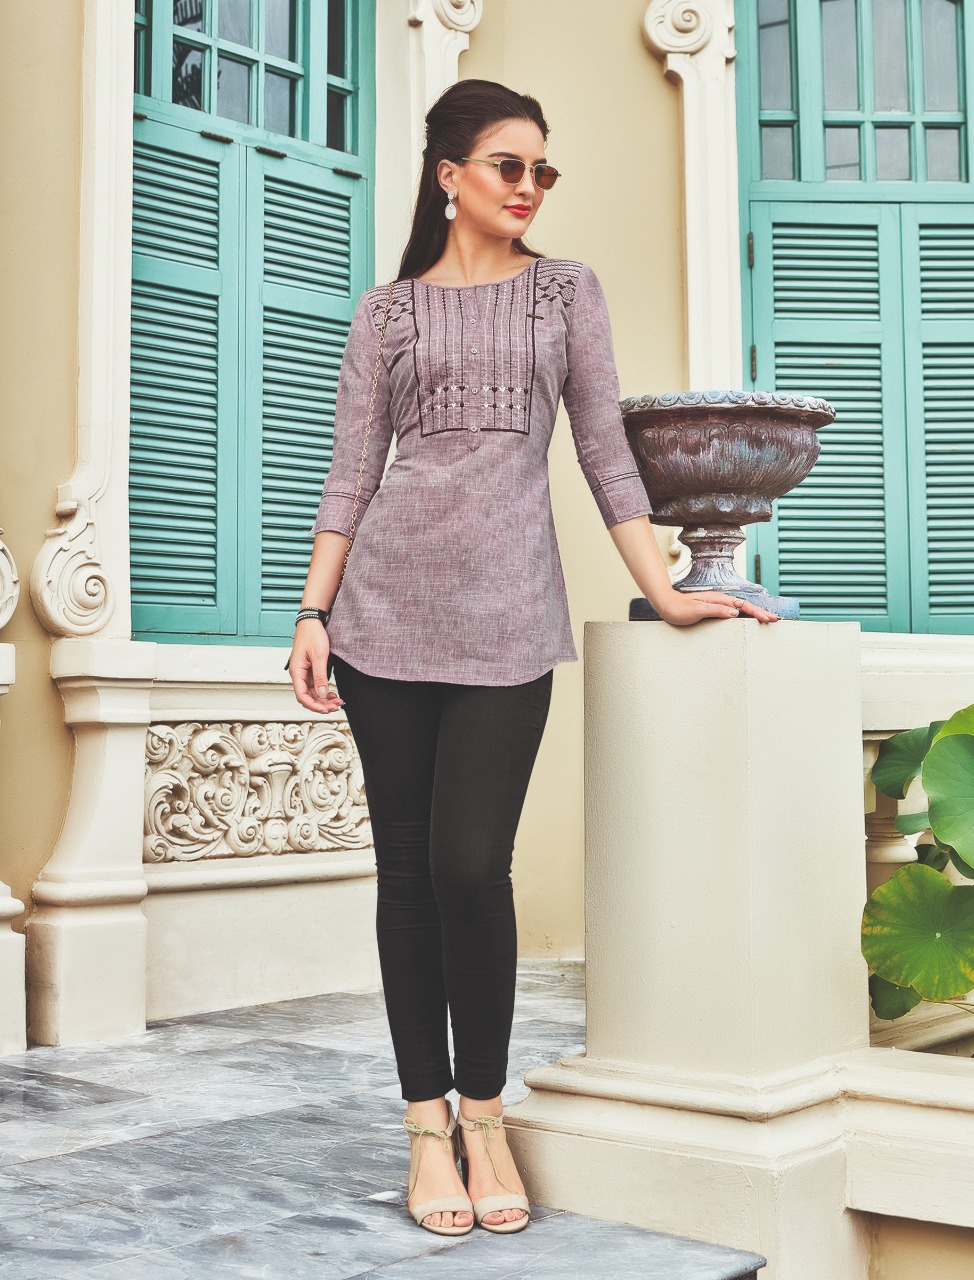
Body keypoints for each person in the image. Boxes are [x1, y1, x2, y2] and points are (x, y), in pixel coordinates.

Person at [287, 79, 779, 1238]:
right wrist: (313, 612)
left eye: (541, 169)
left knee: (471, 864)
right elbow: (351, 472)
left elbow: (605, 451)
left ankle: (485, 1114)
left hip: (508, 616)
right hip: (380, 618)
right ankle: (426, 1126)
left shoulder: (565, 293)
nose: (528, 186)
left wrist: (666, 587)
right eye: (508, 165)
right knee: (406, 876)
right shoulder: (386, 313)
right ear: (448, 175)